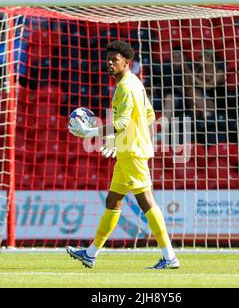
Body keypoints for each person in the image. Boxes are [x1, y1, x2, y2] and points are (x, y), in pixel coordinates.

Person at [67, 40, 179, 270]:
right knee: (113, 201)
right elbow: (149, 114)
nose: (109, 64)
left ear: (126, 63)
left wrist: (93, 132)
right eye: (108, 60)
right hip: (128, 150)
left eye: (114, 61)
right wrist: (118, 140)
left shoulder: (125, 88)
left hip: (133, 153)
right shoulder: (134, 83)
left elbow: (121, 122)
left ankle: (169, 257)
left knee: (146, 202)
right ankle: (91, 253)